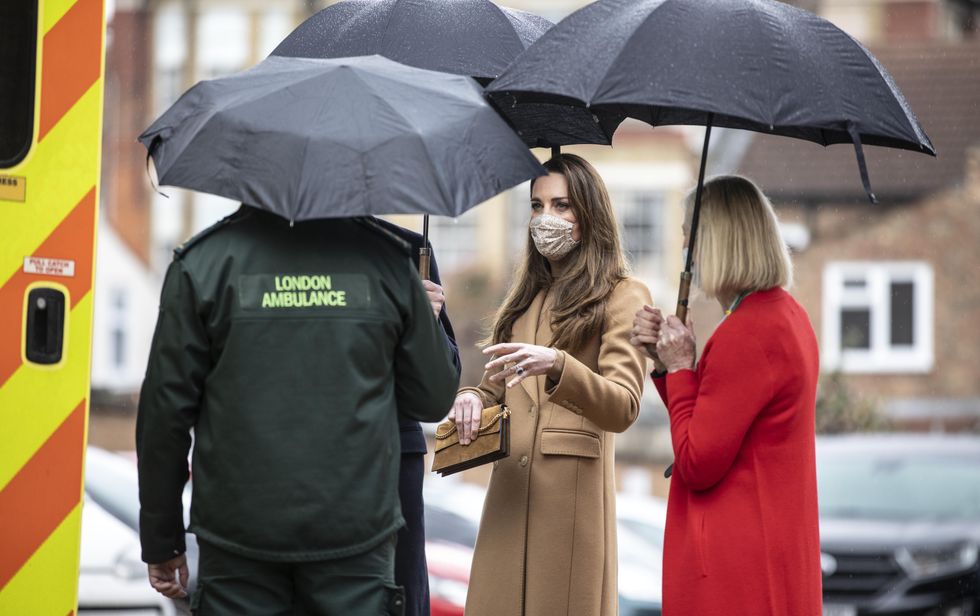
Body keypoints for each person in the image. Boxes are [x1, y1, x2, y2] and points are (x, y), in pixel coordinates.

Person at [136, 206, 459, 615]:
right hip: (354, 537)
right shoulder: (390, 261)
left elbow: (165, 415)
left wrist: (163, 540)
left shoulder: (204, 262)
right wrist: (416, 325)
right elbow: (431, 399)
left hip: (238, 538)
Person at [450, 154, 652, 616]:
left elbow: (623, 405)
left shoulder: (624, 294)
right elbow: (490, 392)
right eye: (536, 206)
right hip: (507, 501)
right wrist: (467, 398)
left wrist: (559, 365)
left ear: (588, 214)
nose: (545, 218)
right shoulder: (524, 301)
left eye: (561, 205)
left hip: (570, 511)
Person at [630, 175, 822, 616]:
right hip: (768, 548)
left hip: (737, 566)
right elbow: (720, 417)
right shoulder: (781, 315)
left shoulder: (748, 333)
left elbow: (697, 460)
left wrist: (680, 367)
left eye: (687, 234)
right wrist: (666, 365)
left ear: (714, 241)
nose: (682, 246)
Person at [370, 216, 462, 616]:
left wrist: (424, 324)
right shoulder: (289, 252)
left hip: (395, 461)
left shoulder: (411, 250)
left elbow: (440, 388)